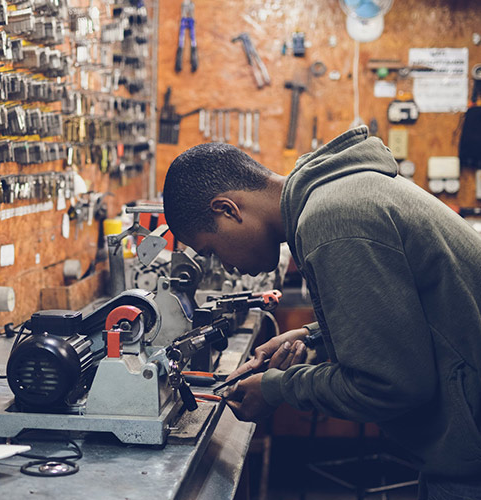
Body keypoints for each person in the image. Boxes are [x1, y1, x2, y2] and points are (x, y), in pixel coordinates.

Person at [162, 126, 481, 499]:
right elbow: (406, 311)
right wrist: (313, 335)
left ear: (227, 209)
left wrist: (277, 389)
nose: (226, 266)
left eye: (213, 250)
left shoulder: (332, 221)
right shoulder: (337, 195)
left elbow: (389, 385)